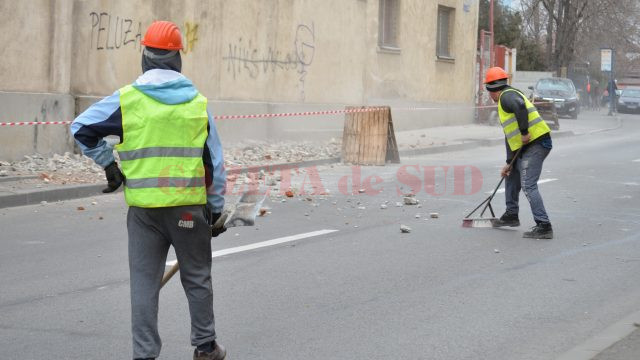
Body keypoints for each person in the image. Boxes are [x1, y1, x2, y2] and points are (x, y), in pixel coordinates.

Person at [71, 21, 227, 360]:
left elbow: (81, 128)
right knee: (197, 277)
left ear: (145, 55)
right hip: (187, 208)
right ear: (177, 59)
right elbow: (214, 161)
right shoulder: (197, 104)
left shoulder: (127, 100)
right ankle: (205, 347)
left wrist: (109, 165)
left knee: (144, 283)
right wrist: (214, 210)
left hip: (143, 213)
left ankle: (144, 355)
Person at [483, 67, 554, 239]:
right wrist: (509, 162)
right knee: (512, 174)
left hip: (537, 143)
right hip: (529, 145)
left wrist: (524, 132)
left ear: (492, 89)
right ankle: (511, 215)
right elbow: (510, 136)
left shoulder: (507, 96)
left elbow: (520, 106)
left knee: (528, 184)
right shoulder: (505, 98)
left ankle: (544, 226)